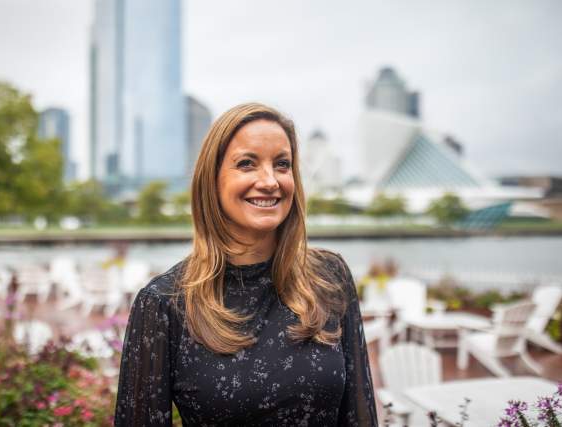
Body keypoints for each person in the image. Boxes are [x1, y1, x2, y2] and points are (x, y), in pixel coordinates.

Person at [114, 103, 378, 426]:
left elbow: (359, 415)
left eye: (282, 164)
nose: (269, 181)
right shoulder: (164, 303)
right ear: (212, 181)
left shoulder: (329, 277)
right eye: (247, 164)